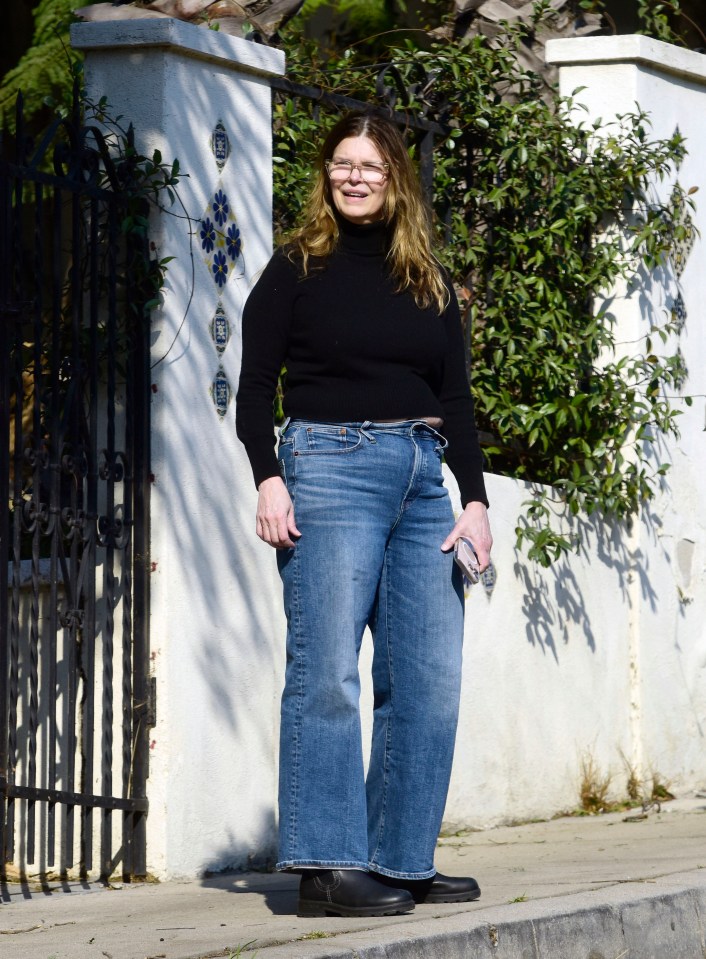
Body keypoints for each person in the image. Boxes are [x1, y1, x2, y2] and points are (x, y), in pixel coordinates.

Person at [235, 111, 492, 919]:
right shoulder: (294, 269)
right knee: (329, 673)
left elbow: (455, 399)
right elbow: (253, 392)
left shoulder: (428, 282)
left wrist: (475, 499)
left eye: (370, 166)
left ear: (395, 180)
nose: (354, 176)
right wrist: (269, 478)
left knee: (428, 681)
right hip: (328, 468)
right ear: (326, 175)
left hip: (423, 479)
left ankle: (400, 859)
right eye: (342, 164)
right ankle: (327, 865)